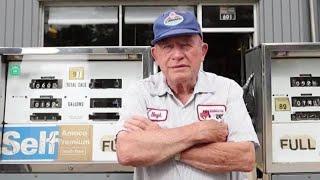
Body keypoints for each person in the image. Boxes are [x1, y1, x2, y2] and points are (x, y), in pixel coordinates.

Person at [116, 10, 259, 180]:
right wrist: (199, 131)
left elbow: (244, 158)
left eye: (185, 45)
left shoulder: (226, 89)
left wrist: (161, 139)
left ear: (203, 51)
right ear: (155, 55)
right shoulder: (140, 92)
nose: (177, 55)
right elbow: (127, 152)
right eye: (167, 46)